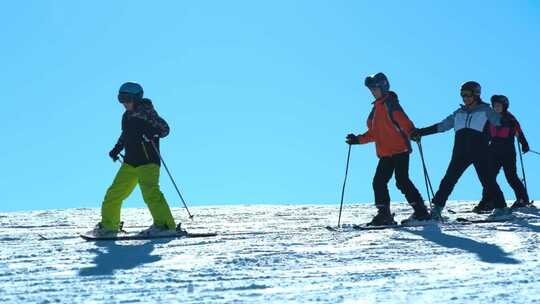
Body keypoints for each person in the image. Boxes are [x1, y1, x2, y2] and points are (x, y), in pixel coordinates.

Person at [411, 81, 511, 220]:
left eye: (468, 94)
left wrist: (505, 121)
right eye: (462, 95)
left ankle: (501, 208)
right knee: (448, 180)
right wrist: (421, 132)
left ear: (476, 94)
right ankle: (437, 209)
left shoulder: (486, 110)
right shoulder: (459, 113)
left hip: (480, 151)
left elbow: (500, 121)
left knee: (487, 180)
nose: (465, 98)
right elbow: (442, 126)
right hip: (460, 152)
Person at [92, 82, 177, 236]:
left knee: (150, 192)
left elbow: (165, 129)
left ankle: (165, 226)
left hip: (148, 160)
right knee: (114, 193)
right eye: (121, 99)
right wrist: (117, 148)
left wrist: (150, 131)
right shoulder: (127, 116)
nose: (124, 103)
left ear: (136, 99)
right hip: (130, 162)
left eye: (127, 99)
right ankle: (109, 226)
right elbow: (125, 135)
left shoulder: (147, 112)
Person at [346, 72, 430, 226]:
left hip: (400, 150)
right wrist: (357, 140)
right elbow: (374, 133)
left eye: (375, 89)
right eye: (370, 89)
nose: (372, 92)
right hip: (385, 153)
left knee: (402, 181)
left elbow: (404, 121)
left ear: (383, 87)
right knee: (379, 182)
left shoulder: (391, 104)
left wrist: (412, 132)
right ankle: (384, 214)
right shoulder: (376, 109)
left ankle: (421, 212)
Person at [473, 94, 531, 213]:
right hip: (493, 152)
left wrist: (524, 144)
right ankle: (488, 202)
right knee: (489, 178)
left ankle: (522, 199)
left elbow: (518, 132)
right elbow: (484, 134)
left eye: (499, 105)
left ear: (504, 106)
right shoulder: (490, 119)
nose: (496, 107)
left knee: (511, 176)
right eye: (494, 105)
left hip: (508, 152)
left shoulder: (510, 119)